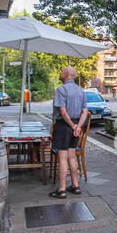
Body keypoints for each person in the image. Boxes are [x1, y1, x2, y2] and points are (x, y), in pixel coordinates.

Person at [49, 66, 89, 199]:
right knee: (72, 156)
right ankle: (75, 186)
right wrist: (78, 127)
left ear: (66, 74)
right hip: (76, 125)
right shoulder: (80, 90)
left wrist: (72, 126)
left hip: (63, 126)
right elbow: (85, 112)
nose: (59, 73)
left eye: (61, 71)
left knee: (62, 158)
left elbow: (63, 111)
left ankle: (61, 190)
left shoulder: (61, 89)